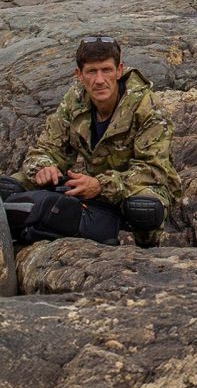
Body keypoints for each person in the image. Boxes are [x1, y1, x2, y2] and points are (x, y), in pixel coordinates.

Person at [0, 36, 181, 248]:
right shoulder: (74, 101)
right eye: (92, 72)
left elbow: (153, 170)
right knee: (8, 188)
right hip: (91, 184)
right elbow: (46, 148)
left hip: (139, 185)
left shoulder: (148, 107)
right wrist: (44, 167)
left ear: (119, 70)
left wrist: (100, 186)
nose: (99, 80)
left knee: (143, 208)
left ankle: (145, 252)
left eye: (106, 70)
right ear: (79, 75)